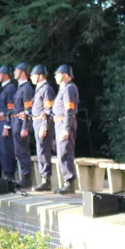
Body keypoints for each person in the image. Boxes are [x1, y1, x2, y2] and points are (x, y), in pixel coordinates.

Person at [53, 64, 79, 195]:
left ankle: (69, 183)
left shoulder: (69, 88)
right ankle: (66, 182)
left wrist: (66, 129)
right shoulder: (64, 88)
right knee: (61, 152)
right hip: (60, 123)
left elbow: (69, 110)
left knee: (65, 152)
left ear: (65, 75)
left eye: (57, 74)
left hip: (65, 123)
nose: (55, 77)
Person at [30, 65, 56, 192]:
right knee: (40, 151)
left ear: (40, 75)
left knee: (43, 151)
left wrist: (44, 127)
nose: (31, 78)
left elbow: (48, 110)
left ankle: (46, 180)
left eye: (33, 75)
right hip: (37, 122)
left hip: (42, 123)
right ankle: (44, 178)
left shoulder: (46, 89)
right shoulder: (39, 89)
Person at [12, 62, 35, 188]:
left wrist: (25, 127)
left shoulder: (26, 89)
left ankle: (26, 179)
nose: (14, 73)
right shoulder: (20, 88)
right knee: (19, 152)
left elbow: (28, 110)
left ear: (22, 72)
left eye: (16, 70)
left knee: (23, 151)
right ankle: (23, 177)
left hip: (21, 124)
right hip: (17, 123)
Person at [0, 66, 17, 181]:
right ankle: (6, 174)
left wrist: (6, 126)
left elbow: (10, 109)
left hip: (5, 123)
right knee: (2, 151)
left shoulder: (10, 89)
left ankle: (10, 175)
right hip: (0, 123)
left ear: (5, 75)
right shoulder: (4, 88)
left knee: (7, 150)